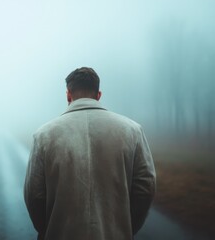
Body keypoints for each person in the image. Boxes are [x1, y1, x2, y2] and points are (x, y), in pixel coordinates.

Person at [24, 67, 156, 240]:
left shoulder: (44, 135)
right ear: (98, 95)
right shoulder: (132, 131)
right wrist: (126, 226)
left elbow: (34, 194)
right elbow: (145, 186)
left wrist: (49, 228)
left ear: (68, 95)